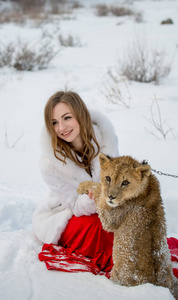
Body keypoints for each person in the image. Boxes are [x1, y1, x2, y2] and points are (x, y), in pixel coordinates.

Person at [32, 91, 119, 274]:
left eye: (67, 118)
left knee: (128, 219)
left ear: (80, 115)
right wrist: (94, 197)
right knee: (100, 225)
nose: (61, 127)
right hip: (66, 212)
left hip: (106, 206)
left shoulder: (106, 141)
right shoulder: (50, 163)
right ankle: (123, 264)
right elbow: (76, 206)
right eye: (54, 122)